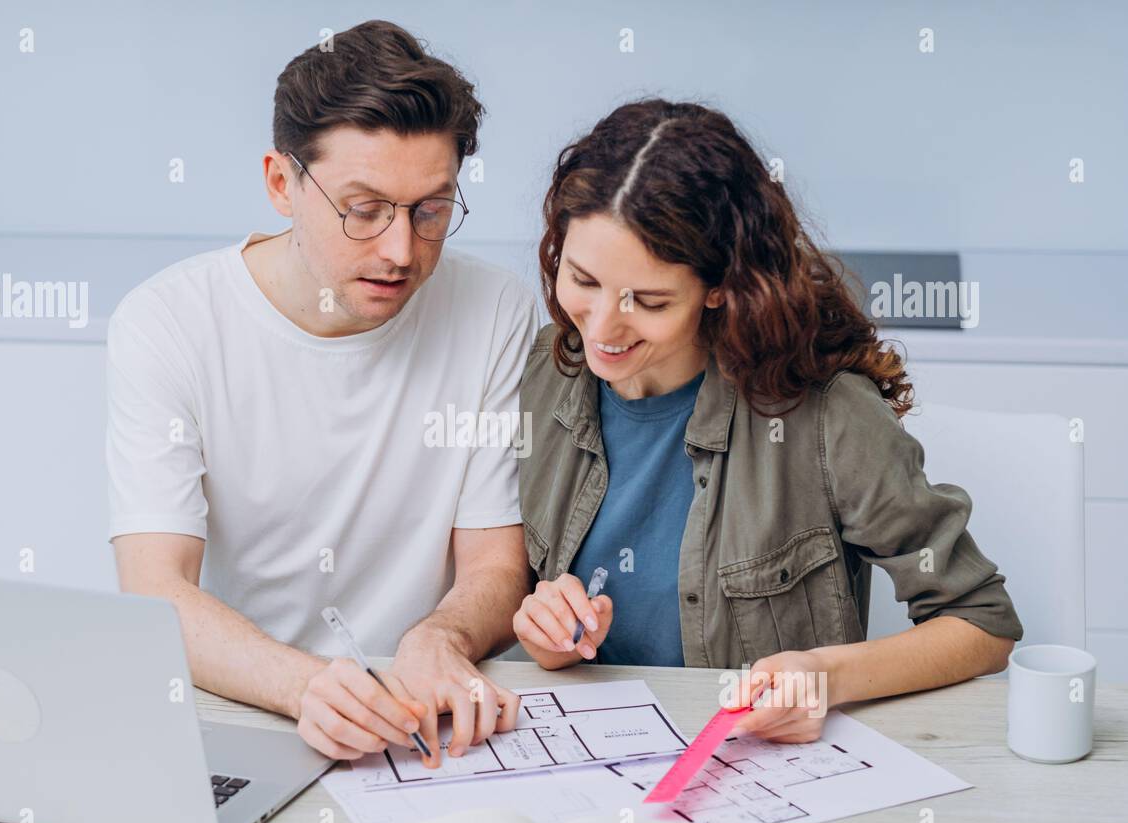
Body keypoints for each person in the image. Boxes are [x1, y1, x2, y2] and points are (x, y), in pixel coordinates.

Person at [513, 98, 1023, 742]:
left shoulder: (826, 417)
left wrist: (825, 675)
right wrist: (550, 636)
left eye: (649, 300)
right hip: (584, 759)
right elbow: (527, 612)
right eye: (582, 279)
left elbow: (982, 623)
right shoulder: (542, 375)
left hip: (755, 773)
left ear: (721, 285)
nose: (603, 328)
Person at [106, 21, 538, 765]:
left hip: (435, 713)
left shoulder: (498, 311)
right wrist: (305, 687)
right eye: (363, 210)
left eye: (431, 210)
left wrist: (439, 639)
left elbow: (497, 565)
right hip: (251, 706)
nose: (402, 251)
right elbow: (155, 589)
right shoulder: (167, 321)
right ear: (282, 183)